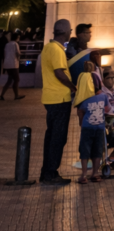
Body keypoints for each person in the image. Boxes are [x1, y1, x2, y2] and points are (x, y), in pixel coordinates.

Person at [40, 19, 77, 185]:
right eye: (70, 30)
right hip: (59, 98)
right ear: (64, 32)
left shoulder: (48, 47)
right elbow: (59, 72)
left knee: (51, 136)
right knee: (58, 138)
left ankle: (46, 172)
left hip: (50, 98)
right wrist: (72, 87)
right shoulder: (56, 49)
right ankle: (51, 173)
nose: (71, 33)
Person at [75, 62, 108, 184]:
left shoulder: (84, 99)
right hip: (100, 128)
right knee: (98, 150)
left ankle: (84, 174)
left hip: (87, 128)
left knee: (85, 150)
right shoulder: (103, 97)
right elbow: (107, 109)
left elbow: (80, 112)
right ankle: (95, 173)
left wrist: (81, 123)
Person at [1, 31, 24, 101]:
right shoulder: (15, 44)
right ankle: (16, 95)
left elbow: (5, 53)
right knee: (17, 79)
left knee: (10, 80)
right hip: (13, 64)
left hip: (7, 64)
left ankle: (2, 95)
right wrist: (20, 55)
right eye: (18, 37)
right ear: (16, 38)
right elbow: (17, 53)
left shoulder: (7, 44)